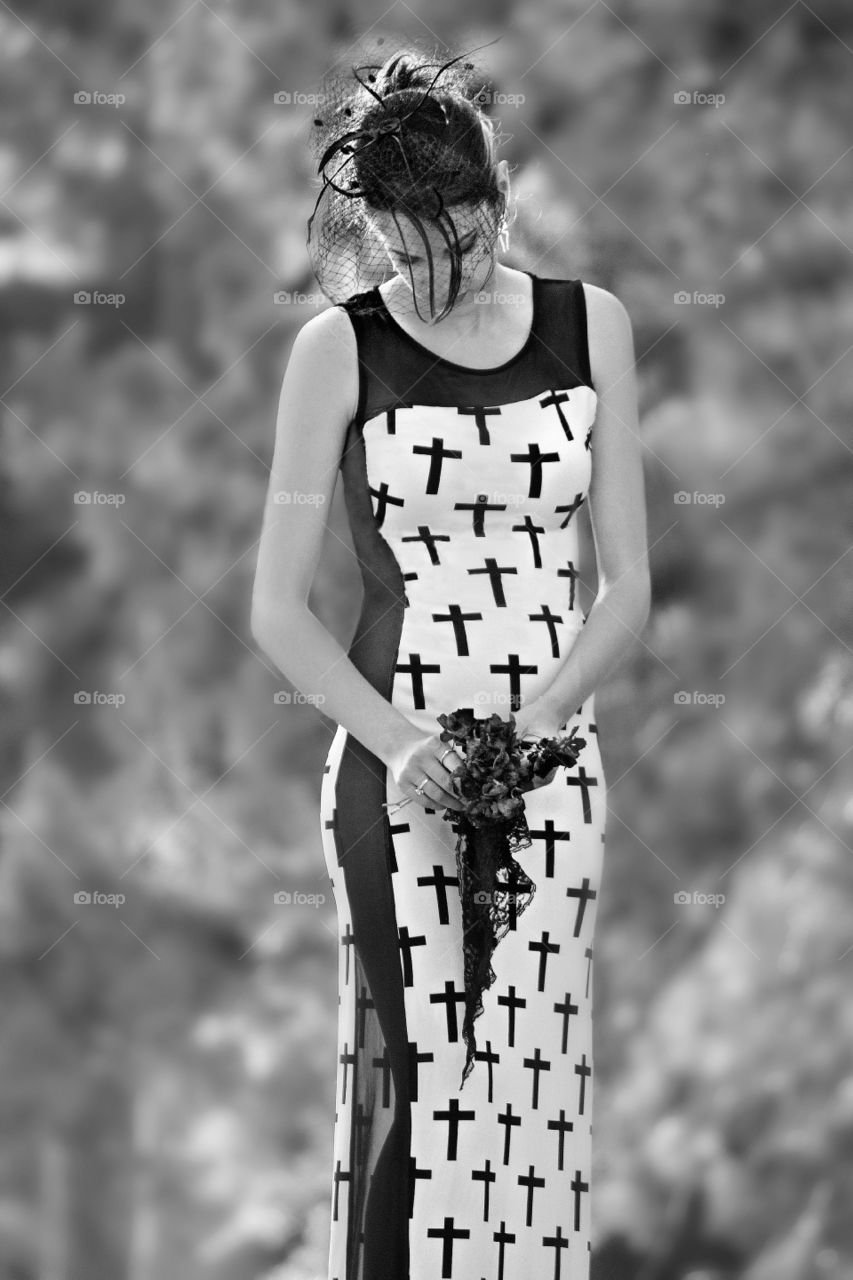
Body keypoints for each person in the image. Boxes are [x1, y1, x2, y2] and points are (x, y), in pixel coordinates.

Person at [251, 35, 650, 1280]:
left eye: (457, 244)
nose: (432, 278)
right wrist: (409, 746)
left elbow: (627, 587)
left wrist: (541, 722)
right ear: (371, 232)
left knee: (534, 1090)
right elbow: (276, 606)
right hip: (394, 770)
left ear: (497, 201)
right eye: (402, 253)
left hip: (555, 763)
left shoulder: (594, 327)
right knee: (438, 1081)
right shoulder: (337, 351)